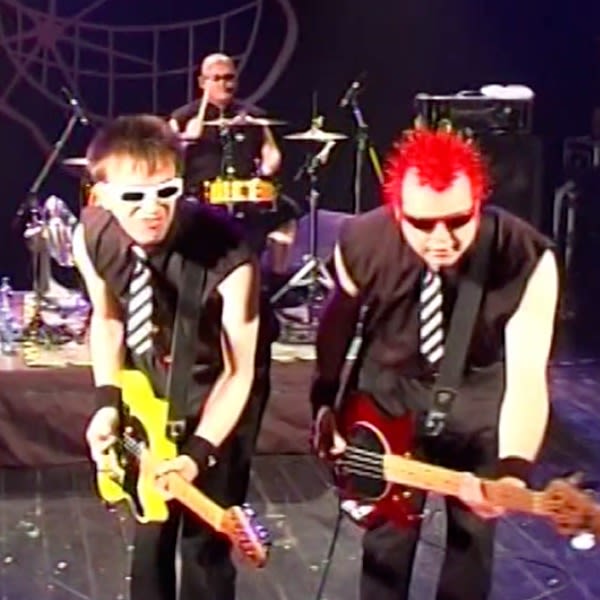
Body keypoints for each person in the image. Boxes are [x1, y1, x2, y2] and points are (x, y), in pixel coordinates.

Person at [310, 126, 558, 600]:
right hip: (388, 398)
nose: (442, 239)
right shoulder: (362, 239)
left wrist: (512, 471)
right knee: (386, 543)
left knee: (472, 546)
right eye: (422, 224)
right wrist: (324, 398)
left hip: (477, 401)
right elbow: (338, 322)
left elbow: (528, 376)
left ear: (479, 201)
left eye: (458, 219)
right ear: (397, 210)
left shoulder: (524, 255)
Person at [73, 114, 261, 600]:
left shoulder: (230, 255)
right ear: (101, 195)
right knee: (150, 525)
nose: (152, 210)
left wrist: (195, 456)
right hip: (147, 388)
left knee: (205, 546)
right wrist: (106, 402)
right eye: (133, 197)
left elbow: (239, 372)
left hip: (216, 393)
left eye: (166, 191)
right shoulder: (90, 236)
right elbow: (108, 319)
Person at [168, 52, 302, 287]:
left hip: (245, 192)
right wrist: (185, 139)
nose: (224, 84)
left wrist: (269, 165)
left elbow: (270, 151)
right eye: (217, 78)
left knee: (286, 212)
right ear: (202, 82)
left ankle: (276, 279)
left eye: (229, 77)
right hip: (199, 193)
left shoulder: (252, 116)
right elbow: (166, 158)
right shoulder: (183, 116)